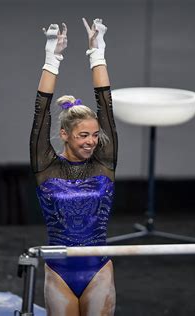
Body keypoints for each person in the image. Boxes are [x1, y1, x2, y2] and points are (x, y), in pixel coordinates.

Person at [30, 18, 117, 316]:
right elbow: (41, 113)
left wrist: (97, 53)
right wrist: (52, 58)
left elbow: (105, 105)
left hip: (98, 270)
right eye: (83, 135)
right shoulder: (46, 166)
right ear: (65, 135)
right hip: (59, 271)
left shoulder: (104, 164)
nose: (92, 142)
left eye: (95, 135)